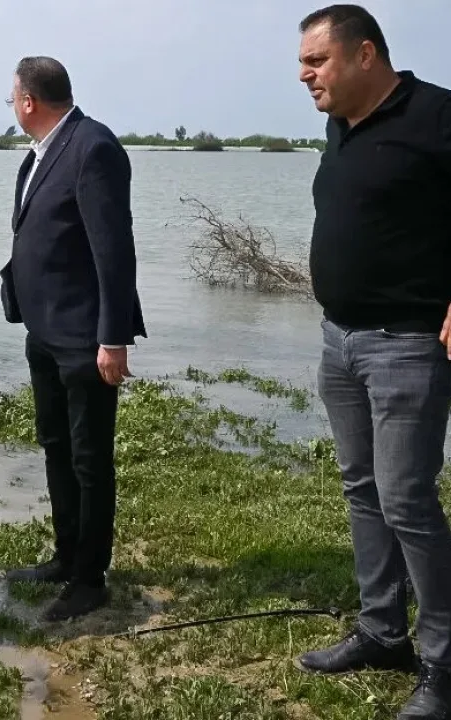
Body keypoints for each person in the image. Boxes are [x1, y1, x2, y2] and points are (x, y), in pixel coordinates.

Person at [294, 6, 451, 718]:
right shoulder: (339, 127)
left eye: (316, 61)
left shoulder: (437, 116)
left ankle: (443, 665)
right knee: (362, 490)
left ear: (364, 55)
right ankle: (383, 631)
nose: (305, 75)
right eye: (303, 63)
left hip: (408, 342)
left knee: (408, 501)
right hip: (340, 339)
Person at [0, 56, 146, 622]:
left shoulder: (93, 147)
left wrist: (112, 337)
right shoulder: (38, 155)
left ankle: (90, 579)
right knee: (55, 447)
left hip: (85, 336)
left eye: (11, 97)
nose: (11, 106)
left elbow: (114, 250)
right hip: (44, 332)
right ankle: (65, 557)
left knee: (89, 459)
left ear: (29, 101)